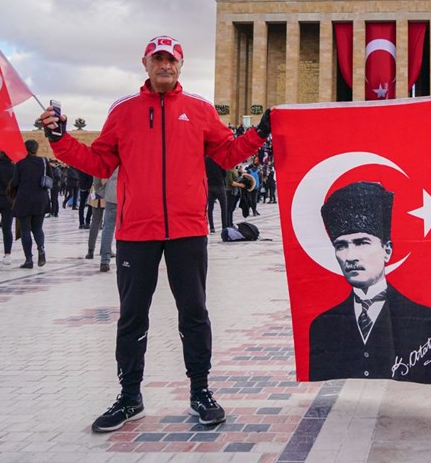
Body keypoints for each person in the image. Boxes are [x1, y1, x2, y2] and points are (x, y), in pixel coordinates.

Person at [39, 35, 269, 432]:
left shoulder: (198, 110)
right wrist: (60, 139)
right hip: (137, 231)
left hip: (187, 229)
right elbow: (99, 162)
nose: (165, 65)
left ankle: (201, 391)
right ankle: (130, 397)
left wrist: (260, 133)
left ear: (181, 65)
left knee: (194, 314)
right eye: (157, 59)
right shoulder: (124, 111)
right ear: (144, 64)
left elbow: (228, 154)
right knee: (132, 317)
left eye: (171, 60)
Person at [308, 181, 431, 383]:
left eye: (362, 243)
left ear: (387, 250)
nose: (351, 256)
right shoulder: (322, 326)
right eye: (341, 246)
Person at [9, 140, 51, 269]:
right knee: (37, 228)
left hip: (24, 199)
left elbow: (15, 182)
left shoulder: (21, 163)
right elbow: (50, 178)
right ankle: (41, 249)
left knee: (25, 230)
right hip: (41, 199)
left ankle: (28, 259)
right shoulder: (44, 161)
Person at [97, 167, 119, 272]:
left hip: (111, 194)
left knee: (108, 228)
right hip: (126, 194)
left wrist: (100, 191)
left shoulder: (111, 155)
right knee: (125, 229)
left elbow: (97, 173)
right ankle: (123, 260)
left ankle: (105, 260)